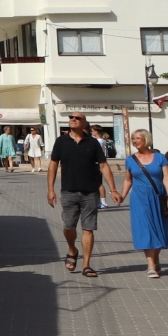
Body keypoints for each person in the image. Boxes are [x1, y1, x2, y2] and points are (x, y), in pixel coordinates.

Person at [48, 114, 121, 278]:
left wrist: (113, 189)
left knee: (88, 229)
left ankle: (86, 265)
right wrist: (50, 190)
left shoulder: (93, 142)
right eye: (71, 117)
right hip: (68, 191)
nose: (73, 119)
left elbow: (104, 165)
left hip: (90, 192)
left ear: (84, 123)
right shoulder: (61, 141)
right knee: (69, 227)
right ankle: (72, 250)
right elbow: (53, 165)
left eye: (77, 118)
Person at [124, 130, 168, 279]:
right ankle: (151, 265)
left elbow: (167, 178)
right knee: (145, 229)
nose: (135, 141)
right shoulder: (130, 160)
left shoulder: (160, 158)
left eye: (138, 138)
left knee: (159, 229)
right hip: (139, 198)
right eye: (133, 139)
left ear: (146, 139)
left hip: (158, 198)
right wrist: (121, 195)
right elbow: (128, 180)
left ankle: (156, 257)